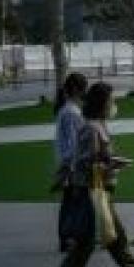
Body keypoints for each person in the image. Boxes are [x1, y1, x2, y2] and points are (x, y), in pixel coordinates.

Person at [50, 82, 134, 267]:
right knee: (87, 244)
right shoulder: (91, 128)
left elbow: (94, 158)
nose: (113, 105)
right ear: (102, 103)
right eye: (111, 101)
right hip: (93, 194)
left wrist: (109, 163)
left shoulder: (99, 125)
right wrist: (111, 165)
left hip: (100, 192)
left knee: (115, 238)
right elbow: (86, 162)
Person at [54, 72, 89, 252]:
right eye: (84, 87)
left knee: (71, 202)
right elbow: (71, 143)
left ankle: (69, 237)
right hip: (72, 165)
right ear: (76, 89)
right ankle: (67, 237)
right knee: (71, 202)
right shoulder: (70, 113)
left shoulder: (69, 111)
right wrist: (71, 167)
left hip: (70, 163)